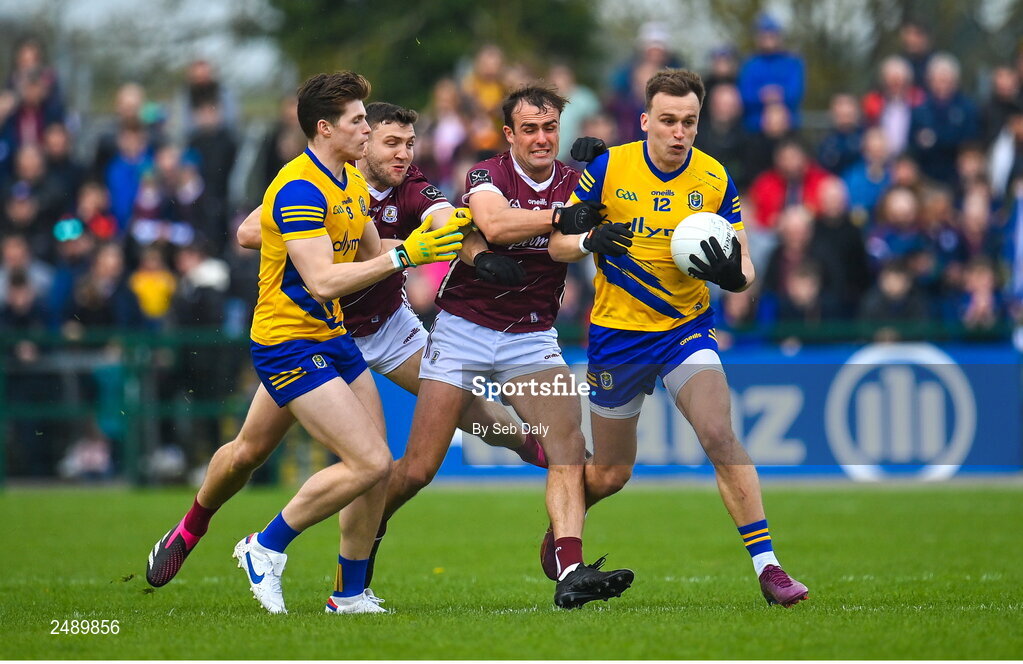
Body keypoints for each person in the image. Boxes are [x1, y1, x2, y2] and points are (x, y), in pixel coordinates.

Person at [145, 71, 465, 616]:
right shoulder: (298, 187)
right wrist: (407, 256)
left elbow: (371, 248)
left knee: (288, 457)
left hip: (331, 336)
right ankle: (262, 547)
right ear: (325, 128)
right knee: (363, 461)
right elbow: (322, 279)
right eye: (358, 119)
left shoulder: (349, 183)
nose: (367, 127)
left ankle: (349, 593)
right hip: (288, 341)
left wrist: (437, 242)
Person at [549, 68, 809, 607]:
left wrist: (735, 277)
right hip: (617, 337)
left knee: (719, 434)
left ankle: (769, 567)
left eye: (688, 121)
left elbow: (745, 266)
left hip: (684, 331)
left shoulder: (714, 180)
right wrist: (588, 241)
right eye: (667, 120)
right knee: (613, 472)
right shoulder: (607, 167)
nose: (678, 131)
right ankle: (564, 529)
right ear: (645, 121)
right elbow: (558, 244)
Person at [376, 85, 635, 609]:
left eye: (549, 128)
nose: (542, 139)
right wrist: (566, 215)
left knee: (568, 448)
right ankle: (368, 522)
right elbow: (493, 224)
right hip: (461, 329)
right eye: (530, 129)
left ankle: (569, 569)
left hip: (533, 337)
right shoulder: (487, 175)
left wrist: (596, 206)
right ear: (510, 135)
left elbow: (574, 239)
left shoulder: (576, 181)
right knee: (420, 468)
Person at [235, 101, 548, 473]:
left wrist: (480, 258)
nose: (403, 154)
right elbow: (248, 231)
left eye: (410, 143)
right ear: (364, 142)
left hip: (388, 325)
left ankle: (547, 454)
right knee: (252, 451)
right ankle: (195, 524)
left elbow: (446, 222)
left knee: (464, 403)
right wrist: (329, 237)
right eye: (392, 143)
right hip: (316, 332)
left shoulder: (412, 185)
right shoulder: (318, 183)